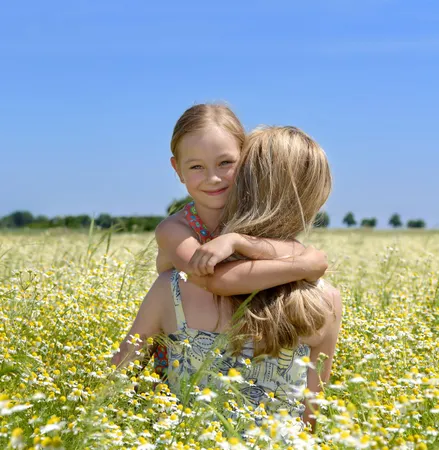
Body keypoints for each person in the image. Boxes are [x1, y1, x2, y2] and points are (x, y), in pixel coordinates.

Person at [112, 126, 342, 431]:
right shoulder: (327, 299)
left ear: (244, 185)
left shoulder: (174, 288)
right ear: (317, 198)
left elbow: (115, 377)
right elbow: (311, 417)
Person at [150, 104, 329, 379]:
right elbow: (213, 280)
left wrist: (238, 241)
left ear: (245, 161)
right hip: (176, 360)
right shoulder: (175, 229)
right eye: (197, 166)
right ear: (177, 169)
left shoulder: (245, 224)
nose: (213, 177)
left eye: (226, 163)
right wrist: (303, 266)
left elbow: (290, 248)